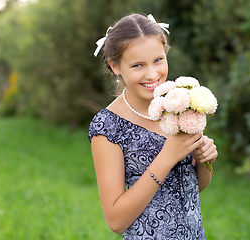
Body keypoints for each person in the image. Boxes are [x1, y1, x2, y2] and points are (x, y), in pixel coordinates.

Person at [88, 13, 218, 239]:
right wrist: (167, 157)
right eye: (138, 65)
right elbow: (116, 221)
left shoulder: (178, 104)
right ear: (115, 66)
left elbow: (191, 189)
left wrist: (203, 160)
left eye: (158, 60)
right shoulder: (107, 126)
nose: (152, 74)